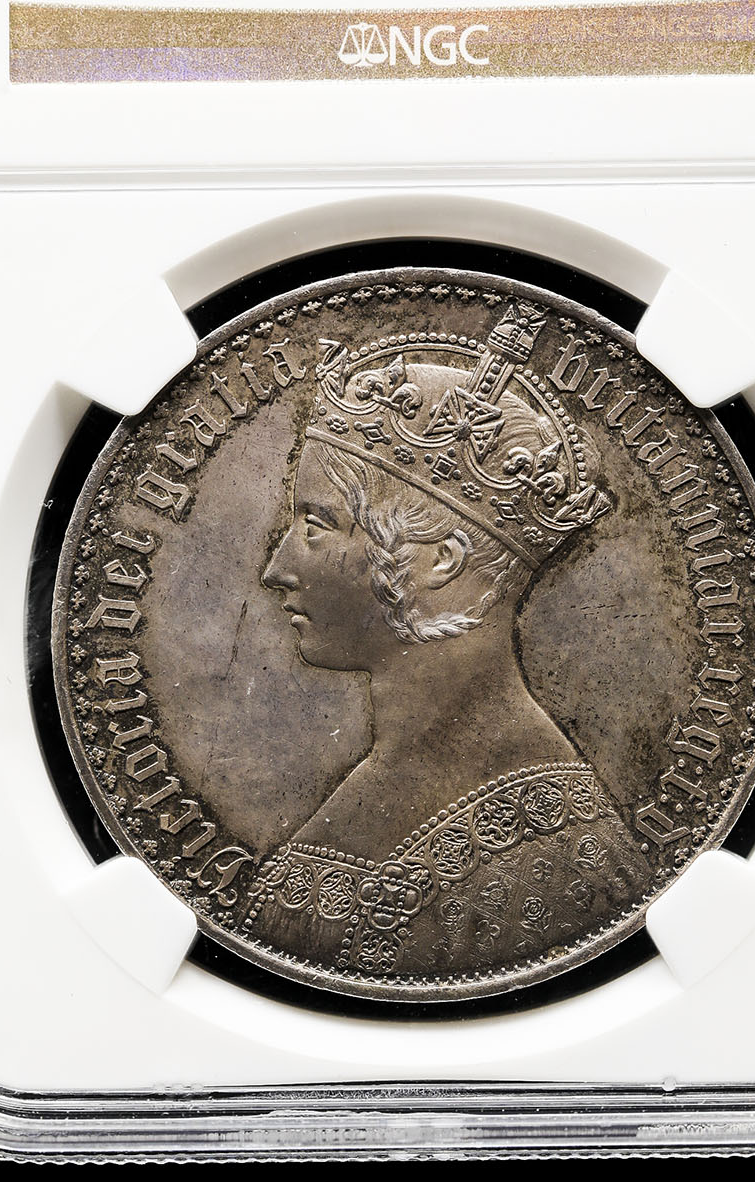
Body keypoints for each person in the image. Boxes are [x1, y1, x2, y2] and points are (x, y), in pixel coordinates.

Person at [245, 299, 650, 987]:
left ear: (440, 561)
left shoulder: (554, 855)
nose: (276, 568)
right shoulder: (395, 775)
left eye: (317, 525)